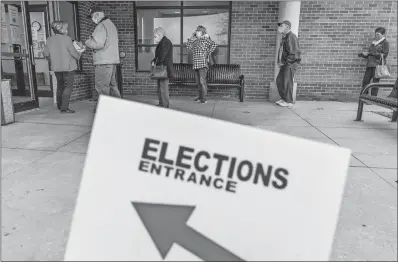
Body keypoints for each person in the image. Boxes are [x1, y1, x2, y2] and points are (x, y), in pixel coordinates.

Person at [85, 7, 121, 113]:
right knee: (112, 85)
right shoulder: (110, 25)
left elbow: (98, 44)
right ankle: (119, 107)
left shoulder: (101, 26)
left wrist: (87, 41)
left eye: (92, 16)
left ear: (96, 15)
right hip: (111, 60)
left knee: (102, 86)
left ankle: (104, 109)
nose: (92, 19)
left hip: (103, 61)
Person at [43, 21, 84, 114]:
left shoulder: (49, 39)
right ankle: (64, 108)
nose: (67, 30)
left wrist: (52, 60)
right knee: (68, 87)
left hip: (57, 68)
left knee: (60, 86)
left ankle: (60, 106)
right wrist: (80, 51)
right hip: (68, 67)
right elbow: (75, 55)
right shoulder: (67, 39)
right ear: (61, 29)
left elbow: (45, 54)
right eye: (65, 28)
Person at [184, 25, 217, 104]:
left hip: (202, 64)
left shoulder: (205, 39)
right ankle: (200, 97)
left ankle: (204, 99)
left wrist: (208, 53)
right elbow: (188, 46)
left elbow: (214, 45)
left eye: (198, 31)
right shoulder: (195, 41)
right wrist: (192, 37)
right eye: (196, 30)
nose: (197, 32)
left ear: (202, 32)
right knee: (198, 82)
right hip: (196, 64)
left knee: (202, 82)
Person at [275, 20, 301, 108]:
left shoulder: (291, 37)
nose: (279, 27)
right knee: (279, 81)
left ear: (287, 27)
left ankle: (289, 101)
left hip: (290, 64)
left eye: (281, 26)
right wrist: (280, 62)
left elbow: (294, 53)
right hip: (285, 63)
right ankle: (284, 98)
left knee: (287, 82)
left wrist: (287, 63)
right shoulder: (285, 37)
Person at [358, 27, 390, 97]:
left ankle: (373, 99)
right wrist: (363, 55)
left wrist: (370, 54)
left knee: (375, 83)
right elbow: (370, 54)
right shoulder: (374, 43)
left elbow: (384, 55)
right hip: (370, 65)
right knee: (365, 82)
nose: (376, 36)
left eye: (378, 34)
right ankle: (365, 98)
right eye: (375, 34)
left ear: (383, 34)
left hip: (377, 66)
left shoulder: (385, 42)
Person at [151, 27, 175, 108]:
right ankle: (162, 104)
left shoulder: (165, 43)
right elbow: (159, 56)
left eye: (155, 36)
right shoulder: (163, 42)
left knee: (163, 88)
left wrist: (155, 62)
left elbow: (161, 57)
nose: (154, 38)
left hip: (164, 69)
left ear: (160, 35)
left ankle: (164, 105)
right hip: (162, 69)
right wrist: (154, 60)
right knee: (161, 87)